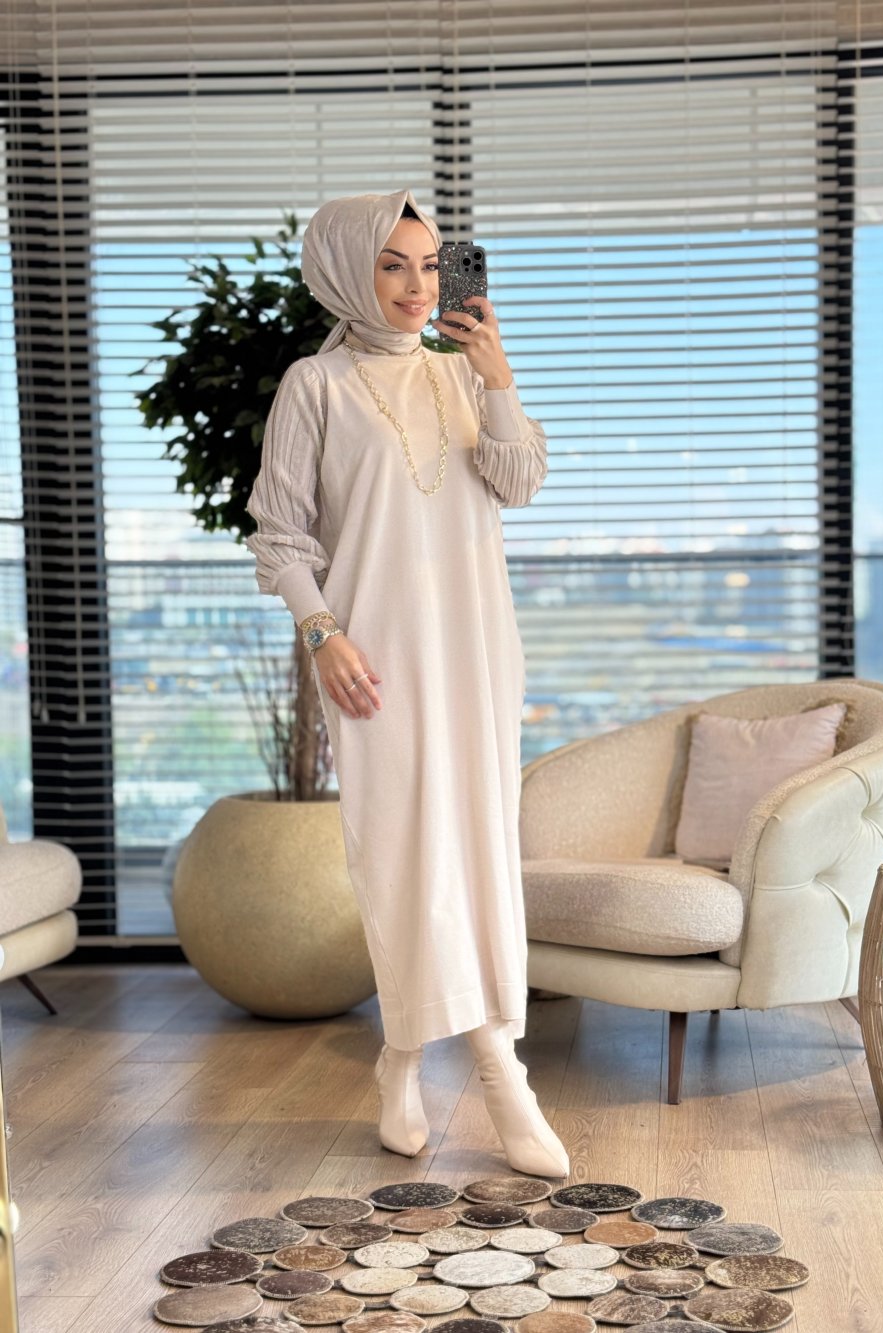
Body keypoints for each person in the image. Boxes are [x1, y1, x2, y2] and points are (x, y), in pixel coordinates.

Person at [246, 189, 569, 1178]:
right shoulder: (315, 384)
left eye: (430, 265)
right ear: (351, 268)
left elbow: (519, 482)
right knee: (400, 859)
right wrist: (323, 634)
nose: (418, 285)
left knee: (479, 852)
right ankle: (470, 1069)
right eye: (393, 263)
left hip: (477, 650)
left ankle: (445, 1062)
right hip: (373, 662)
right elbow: (279, 533)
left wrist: (497, 377)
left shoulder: (463, 375)